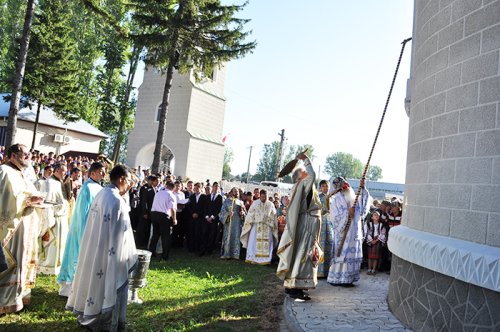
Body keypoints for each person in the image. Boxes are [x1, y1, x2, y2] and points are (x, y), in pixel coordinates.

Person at [66, 165, 137, 331]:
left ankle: (90, 314)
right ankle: (105, 323)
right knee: (109, 284)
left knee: (94, 282)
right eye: (128, 181)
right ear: (121, 179)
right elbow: (123, 234)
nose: (128, 186)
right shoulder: (117, 201)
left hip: (95, 249)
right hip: (111, 255)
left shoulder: (102, 193)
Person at [0, 144, 43, 314]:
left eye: (29, 154)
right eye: (24, 154)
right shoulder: (4, 171)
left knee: (22, 259)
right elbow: (5, 198)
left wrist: (36, 199)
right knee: (11, 261)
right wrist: (26, 200)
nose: (28, 157)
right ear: (12, 155)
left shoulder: (22, 174)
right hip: (12, 228)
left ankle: (18, 297)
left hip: (26, 226)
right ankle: (4, 300)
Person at [276, 152, 322, 301]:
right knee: (304, 253)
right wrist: (305, 160)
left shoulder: (299, 186)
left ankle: (292, 286)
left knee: (299, 253)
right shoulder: (303, 184)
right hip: (307, 224)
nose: (306, 172)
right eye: (304, 171)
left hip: (305, 223)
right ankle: (296, 287)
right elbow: (313, 175)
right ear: (300, 176)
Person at [57, 162, 105, 296]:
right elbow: (82, 213)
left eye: (104, 171)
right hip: (83, 228)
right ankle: (70, 288)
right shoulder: (87, 188)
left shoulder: (97, 187)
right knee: (77, 255)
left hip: (93, 226)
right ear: (92, 173)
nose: (103, 173)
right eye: (101, 171)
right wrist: (84, 232)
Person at [327, 176, 370, 286]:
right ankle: (337, 278)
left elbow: (364, 205)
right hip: (343, 233)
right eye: (344, 186)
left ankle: (349, 278)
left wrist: (363, 187)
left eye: (347, 185)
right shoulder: (336, 199)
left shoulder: (354, 198)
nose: (347, 187)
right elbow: (334, 217)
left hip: (354, 232)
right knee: (341, 256)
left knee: (351, 256)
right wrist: (347, 213)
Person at [36, 162, 70, 275]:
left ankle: (57, 266)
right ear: (57, 170)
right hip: (53, 218)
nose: (65, 173)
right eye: (64, 171)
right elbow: (47, 203)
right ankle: (47, 267)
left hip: (62, 217)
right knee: (51, 244)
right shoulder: (49, 182)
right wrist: (49, 221)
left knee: (60, 244)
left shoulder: (61, 182)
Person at [241, 189, 278, 265]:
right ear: (260, 196)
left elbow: (273, 216)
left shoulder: (271, 204)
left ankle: (266, 259)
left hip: (267, 227)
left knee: (268, 242)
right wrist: (257, 218)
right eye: (263, 196)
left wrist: (267, 219)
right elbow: (250, 214)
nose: (264, 198)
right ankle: (253, 258)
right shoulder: (255, 203)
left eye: (266, 197)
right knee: (253, 241)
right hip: (256, 226)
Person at [149, 181, 177, 260]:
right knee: (166, 237)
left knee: (155, 235)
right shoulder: (171, 195)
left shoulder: (158, 193)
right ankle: (165, 256)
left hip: (154, 214)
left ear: (166, 186)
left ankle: (151, 252)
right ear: (173, 188)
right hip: (163, 216)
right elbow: (173, 209)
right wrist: (174, 219)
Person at [219, 188, 246, 259]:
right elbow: (222, 212)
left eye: (237, 192)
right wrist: (228, 214)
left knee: (236, 237)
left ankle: (235, 254)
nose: (236, 193)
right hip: (229, 223)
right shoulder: (227, 201)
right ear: (231, 192)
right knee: (228, 237)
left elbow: (245, 214)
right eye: (235, 191)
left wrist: (242, 214)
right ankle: (226, 253)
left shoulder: (241, 202)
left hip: (237, 223)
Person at [199, 182, 223, 256]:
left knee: (212, 235)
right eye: (215, 186)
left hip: (214, 219)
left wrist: (212, 217)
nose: (216, 188)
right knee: (204, 233)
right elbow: (205, 207)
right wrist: (207, 217)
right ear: (212, 187)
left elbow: (219, 209)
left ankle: (209, 250)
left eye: (217, 186)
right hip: (206, 219)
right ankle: (203, 249)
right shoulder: (208, 196)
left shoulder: (219, 197)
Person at [317, 179, 334, 278]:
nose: (325, 188)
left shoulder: (333, 198)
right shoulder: (318, 198)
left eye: (327, 186)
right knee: (321, 248)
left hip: (330, 226)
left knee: (330, 248)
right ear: (320, 187)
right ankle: (319, 272)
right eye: (323, 186)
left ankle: (328, 272)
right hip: (321, 225)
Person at [364, 209, 386, 275]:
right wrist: (371, 240)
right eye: (374, 215)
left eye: (377, 215)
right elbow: (367, 232)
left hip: (377, 241)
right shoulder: (369, 224)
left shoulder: (381, 225)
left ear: (379, 217)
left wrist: (376, 240)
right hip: (371, 240)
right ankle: (369, 269)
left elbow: (383, 233)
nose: (376, 216)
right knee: (370, 256)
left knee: (376, 257)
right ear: (372, 217)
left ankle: (373, 269)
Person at [186, 182, 206, 252]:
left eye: (197, 188)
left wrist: (198, 214)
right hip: (192, 218)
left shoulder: (204, 197)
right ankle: (192, 248)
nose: (196, 189)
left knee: (199, 233)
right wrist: (192, 213)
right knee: (192, 232)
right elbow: (189, 207)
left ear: (200, 188)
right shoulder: (191, 196)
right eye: (195, 188)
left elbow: (204, 208)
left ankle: (198, 248)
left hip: (200, 218)